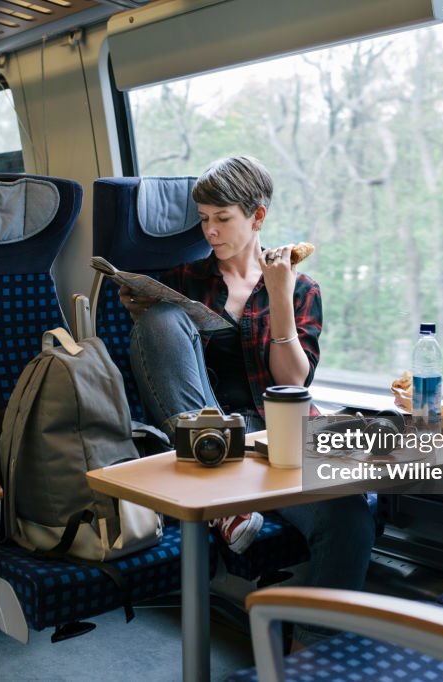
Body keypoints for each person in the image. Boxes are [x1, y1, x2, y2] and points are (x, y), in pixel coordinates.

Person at [121, 155, 376, 647]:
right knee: (159, 322)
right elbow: (165, 369)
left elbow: (294, 384)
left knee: (349, 516)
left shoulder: (300, 287)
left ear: (257, 217)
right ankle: (221, 497)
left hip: (279, 432)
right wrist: (141, 310)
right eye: (203, 220)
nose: (210, 232)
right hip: (209, 427)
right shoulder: (183, 281)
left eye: (222, 219)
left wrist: (279, 297)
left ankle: (311, 656)